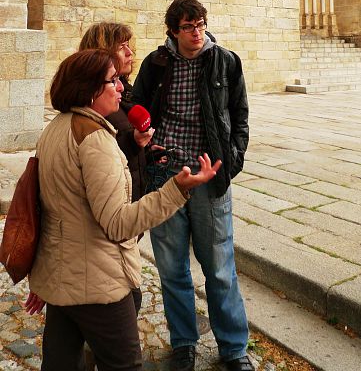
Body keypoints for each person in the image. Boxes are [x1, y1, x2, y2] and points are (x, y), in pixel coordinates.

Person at [25, 48, 221, 371]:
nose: (120, 87)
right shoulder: (96, 141)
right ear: (89, 90)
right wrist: (177, 189)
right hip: (98, 285)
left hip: (62, 281)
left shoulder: (55, 128)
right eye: (112, 80)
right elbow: (117, 223)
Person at [131, 0, 251, 371]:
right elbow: (137, 104)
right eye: (188, 26)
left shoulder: (225, 61)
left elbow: (240, 114)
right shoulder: (156, 63)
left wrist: (232, 159)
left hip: (209, 179)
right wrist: (145, 142)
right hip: (166, 177)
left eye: (200, 24)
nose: (196, 32)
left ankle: (233, 348)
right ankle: (184, 343)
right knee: (171, 268)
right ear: (173, 30)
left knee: (219, 266)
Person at [79, 23, 149, 204]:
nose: (129, 53)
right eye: (121, 47)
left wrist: (148, 151)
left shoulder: (125, 92)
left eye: (128, 45)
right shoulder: (95, 100)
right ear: (102, 53)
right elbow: (97, 153)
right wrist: (133, 142)